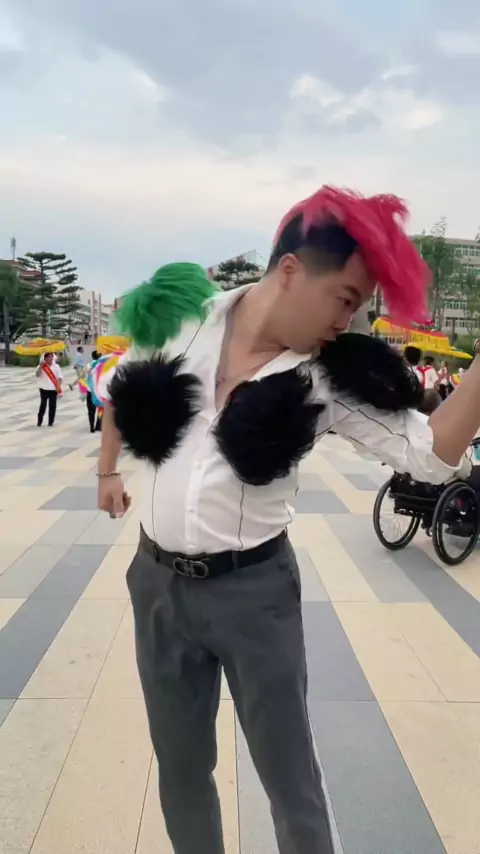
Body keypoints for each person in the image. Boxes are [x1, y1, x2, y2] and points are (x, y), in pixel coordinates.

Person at [95, 186, 480, 854]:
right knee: (181, 766)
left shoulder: (324, 379)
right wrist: (107, 472)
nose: (349, 319)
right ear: (293, 270)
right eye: (345, 298)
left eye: (359, 306)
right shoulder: (186, 319)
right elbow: (120, 390)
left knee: (289, 777)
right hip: (156, 583)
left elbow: (430, 455)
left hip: (255, 593)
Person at [69, 350, 102, 432]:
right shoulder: (102, 365)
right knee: (101, 408)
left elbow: (80, 377)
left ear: (92, 356)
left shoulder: (88, 366)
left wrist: (73, 384)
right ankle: (98, 425)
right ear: (100, 356)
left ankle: (92, 427)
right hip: (99, 392)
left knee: (91, 410)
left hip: (90, 392)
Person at [36, 351, 62, 427]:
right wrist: (40, 367)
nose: (50, 358)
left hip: (53, 389)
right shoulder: (41, 366)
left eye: (51, 356)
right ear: (45, 358)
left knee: (52, 406)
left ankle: (51, 422)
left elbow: (60, 377)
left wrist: (58, 385)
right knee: (43, 405)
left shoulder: (56, 366)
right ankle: (39, 421)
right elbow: (37, 375)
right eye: (48, 357)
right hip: (43, 389)